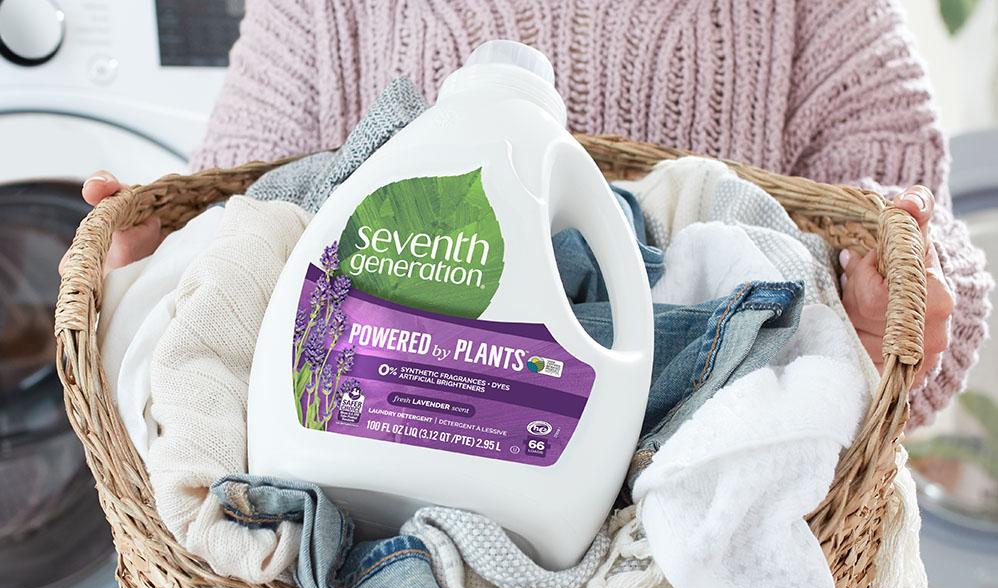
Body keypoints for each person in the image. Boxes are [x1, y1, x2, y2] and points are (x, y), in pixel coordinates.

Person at [74, 0, 992, 427]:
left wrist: (892, 313)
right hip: (384, 518)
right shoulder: (320, 12)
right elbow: (244, 215)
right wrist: (159, 278)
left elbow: (917, 237)